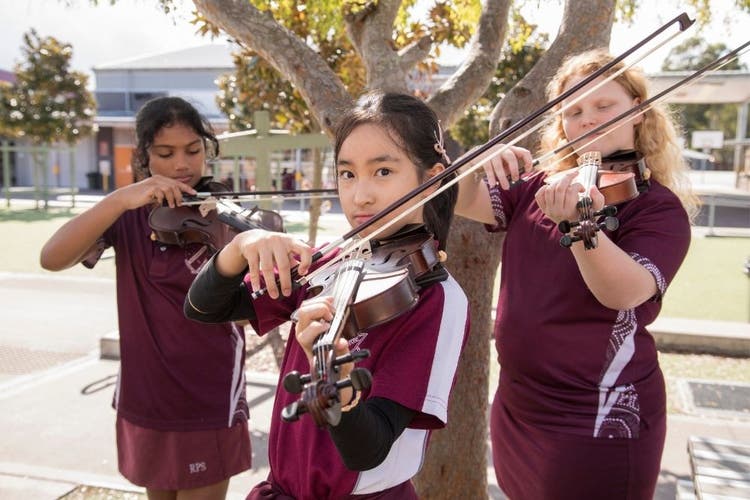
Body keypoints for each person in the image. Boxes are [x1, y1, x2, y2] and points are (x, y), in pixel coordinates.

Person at [185, 91, 470, 499]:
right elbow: (203, 308)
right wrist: (239, 247)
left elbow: (368, 450)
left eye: (383, 172)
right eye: (348, 174)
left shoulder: (438, 301)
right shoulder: (331, 259)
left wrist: (338, 387)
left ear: (431, 179)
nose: (360, 195)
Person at [454, 49, 698, 499]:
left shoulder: (657, 208)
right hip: (517, 407)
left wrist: (581, 226)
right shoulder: (536, 185)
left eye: (604, 106)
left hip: (596, 418)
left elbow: (624, 292)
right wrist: (478, 160)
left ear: (638, 113)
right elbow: (459, 198)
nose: (587, 120)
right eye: (573, 111)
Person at [40, 96, 251, 500]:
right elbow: (52, 258)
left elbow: (245, 313)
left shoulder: (224, 212)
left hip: (208, 391)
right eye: (165, 153)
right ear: (144, 157)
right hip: (147, 391)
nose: (181, 165)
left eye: (193, 150)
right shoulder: (127, 214)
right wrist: (119, 199)